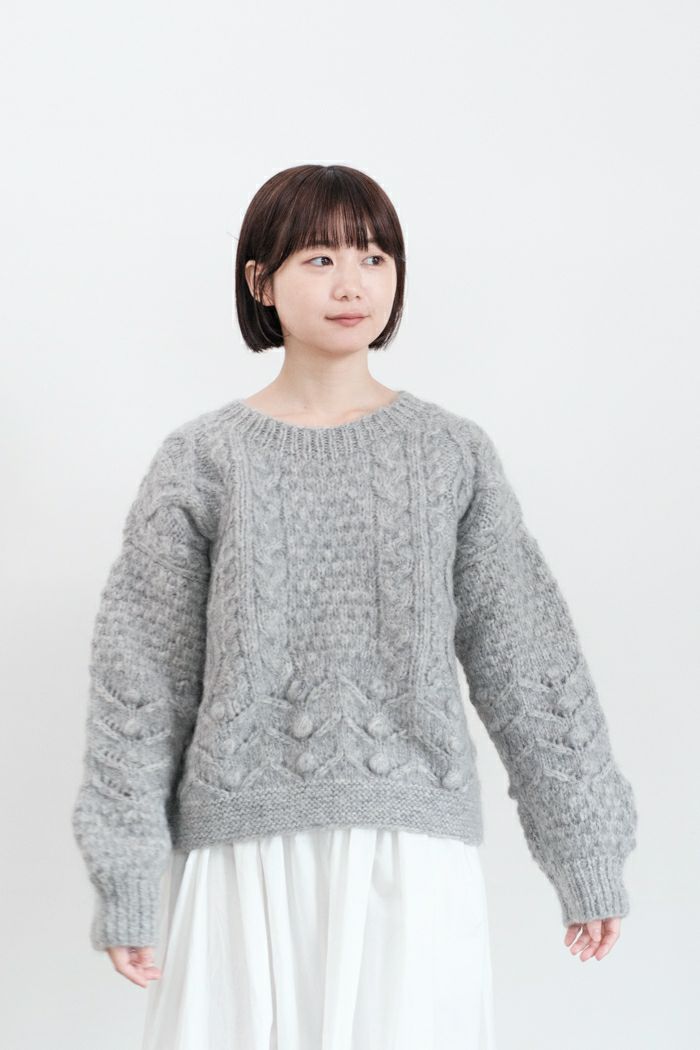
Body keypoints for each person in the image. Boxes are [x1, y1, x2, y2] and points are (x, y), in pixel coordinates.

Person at [71, 163, 637, 1049]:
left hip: (411, 851)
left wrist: (585, 852)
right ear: (261, 282)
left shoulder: (451, 453)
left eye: (375, 257)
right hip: (241, 853)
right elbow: (141, 680)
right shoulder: (203, 461)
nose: (352, 283)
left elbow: (527, 658)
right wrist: (129, 874)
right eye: (320, 258)